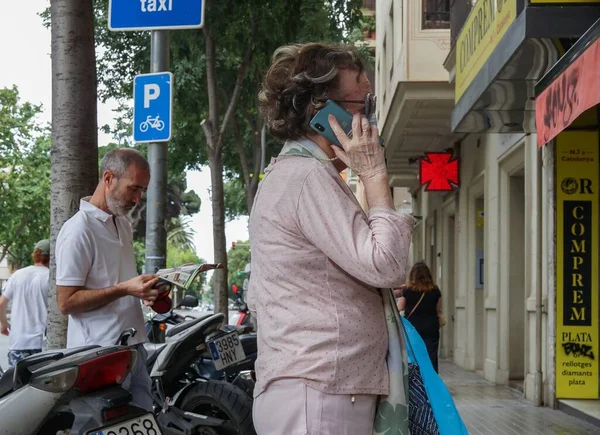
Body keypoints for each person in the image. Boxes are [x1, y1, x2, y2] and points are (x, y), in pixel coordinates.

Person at [248, 43, 414, 435]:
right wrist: (374, 174)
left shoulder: (298, 176)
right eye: (364, 104)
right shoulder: (306, 178)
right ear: (322, 112)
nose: (371, 120)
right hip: (319, 394)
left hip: (319, 389)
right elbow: (386, 264)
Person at [55, 148, 160, 411]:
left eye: (142, 191)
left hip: (133, 346)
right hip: (97, 355)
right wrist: (125, 288)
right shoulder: (78, 230)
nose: (137, 199)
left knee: (143, 416)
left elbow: (120, 281)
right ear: (109, 178)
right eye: (134, 189)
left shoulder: (122, 223)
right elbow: (66, 303)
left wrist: (145, 289)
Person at [0, 240, 51, 367]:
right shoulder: (51, 277)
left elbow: (1, 303)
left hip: (18, 343)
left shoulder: (17, 275)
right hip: (42, 344)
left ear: (35, 255)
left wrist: (4, 324)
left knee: (17, 385)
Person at [397, 261, 443, 372]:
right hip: (431, 328)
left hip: (412, 329)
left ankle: (416, 381)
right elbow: (438, 310)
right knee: (430, 357)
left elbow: (400, 307)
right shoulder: (435, 290)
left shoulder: (408, 290)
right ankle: (431, 382)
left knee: (413, 356)